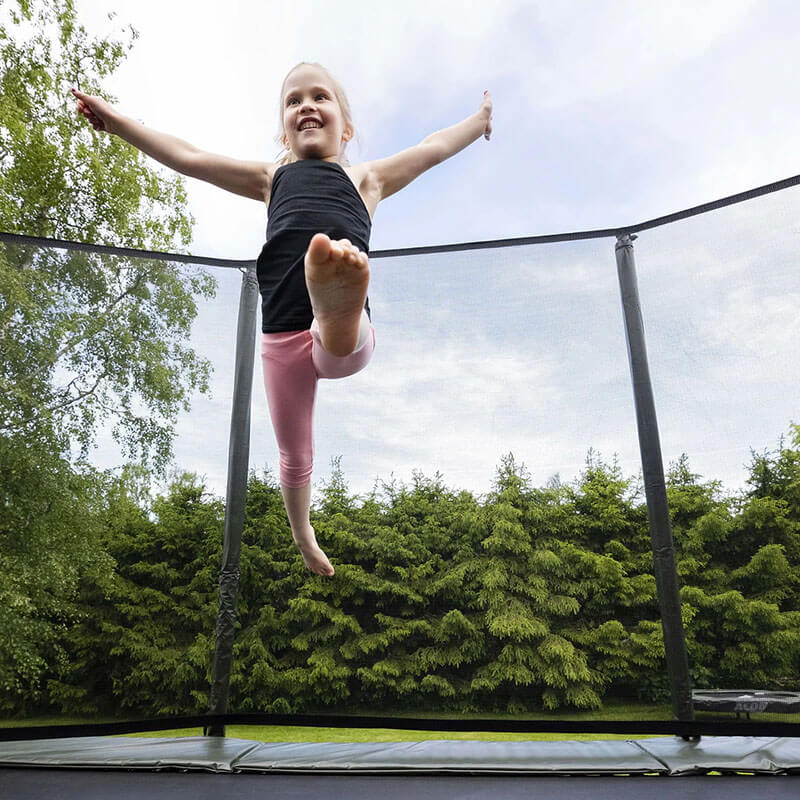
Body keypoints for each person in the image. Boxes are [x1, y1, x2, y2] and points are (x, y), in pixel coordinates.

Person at [72, 61, 493, 578]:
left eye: (320, 97)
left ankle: (336, 306)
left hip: (337, 335)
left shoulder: (367, 178)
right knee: (294, 454)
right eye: (294, 102)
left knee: (340, 345)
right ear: (284, 128)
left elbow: (432, 148)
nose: (306, 106)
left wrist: (476, 124)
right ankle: (303, 534)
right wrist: (119, 123)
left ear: (347, 127)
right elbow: (189, 156)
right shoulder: (272, 179)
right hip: (280, 338)